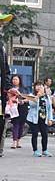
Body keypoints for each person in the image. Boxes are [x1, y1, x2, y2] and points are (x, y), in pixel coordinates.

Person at [25, 81, 54, 157]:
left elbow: (49, 108)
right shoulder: (31, 95)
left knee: (45, 134)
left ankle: (45, 150)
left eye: (40, 85)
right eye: (37, 86)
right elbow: (32, 104)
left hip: (43, 118)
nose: (39, 87)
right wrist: (38, 96)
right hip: (34, 118)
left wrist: (50, 119)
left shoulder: (47, 97)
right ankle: (35, 150)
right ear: (34, 87)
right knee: (35, 134)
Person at [0, 12, 14, 158]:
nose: (1, 25)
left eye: (2, 22)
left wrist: (9, 86)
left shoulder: (2, 45)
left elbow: (6, 69)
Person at [8, 75, 28, 149]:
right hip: (14, 109)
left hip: (22, 108)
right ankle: (14, 142)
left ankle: (18, 140)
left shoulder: (24, 89)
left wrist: (22, 101)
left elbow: (28, 98)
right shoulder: (10, 89)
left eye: (16, 79)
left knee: (21, 125)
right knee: (15, 124)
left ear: (19, 80)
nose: (14, 81)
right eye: (13, 79)